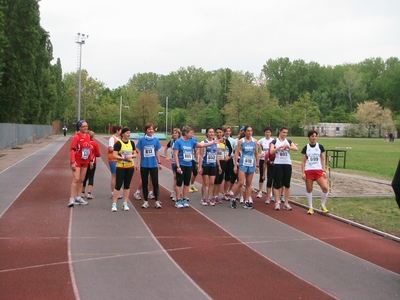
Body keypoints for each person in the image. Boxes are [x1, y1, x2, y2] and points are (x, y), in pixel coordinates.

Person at [173, 126, 220, 208]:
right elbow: (176, 155)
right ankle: (178, 200)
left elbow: (202, 145)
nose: (192, 135)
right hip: (181, 164)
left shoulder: (192, 141)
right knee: (179, 183)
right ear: (186, 133)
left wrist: (213, 143)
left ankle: (185, 199)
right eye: (190, 133)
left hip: (189, 165)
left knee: (187, 183)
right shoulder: (178, 142)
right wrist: (177, 166)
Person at [269, 126, 298, 211]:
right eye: (283, 132)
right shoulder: (275, 141)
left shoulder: (288, 141)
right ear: (280, 132)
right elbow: (271, 152)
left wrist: (288, 147)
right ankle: (277, 202)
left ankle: (286, 202)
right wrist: (278, 148)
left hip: (287, 163)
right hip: (278, 163)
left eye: (286, 133)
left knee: (287, 184)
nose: (285, 134)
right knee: (277, 184)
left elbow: (296, 149)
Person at [231, 126, 260, 209]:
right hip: (243, 163)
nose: (249, 132)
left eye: (251, 131)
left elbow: (256, 153)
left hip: (251, 163)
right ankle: (233, 198)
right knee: (240, 182)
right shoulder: (241, 141)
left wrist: (257, 165)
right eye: (248, 131)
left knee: (249, 183)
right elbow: (236, 152)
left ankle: (246, 201)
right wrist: (235, 164)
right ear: (245, 132)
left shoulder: (255, 141)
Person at [301, 130, 329, 215]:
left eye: (315, 136)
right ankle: (310, 207)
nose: (314, 137)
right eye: (312, 136)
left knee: (325, 188)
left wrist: (324, 170)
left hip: (318, 170)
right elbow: (303, 162)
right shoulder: (306, 148)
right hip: (309, 170)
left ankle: (323, 205)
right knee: (309, 189)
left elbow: (323, 159)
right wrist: (303, 173)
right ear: (309, 137)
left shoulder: (320, 147)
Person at [136, 123, 162, 209]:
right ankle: (145, 201)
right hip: (144, 165)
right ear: (146, 130)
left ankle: (157, 201)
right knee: (145, 183)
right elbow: (138, 152)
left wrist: (159, 162)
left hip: (154, 165)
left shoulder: (156, 140)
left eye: (152, 129)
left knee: (155, 183)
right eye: (149, 129)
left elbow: (157, 152)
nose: (151, 130)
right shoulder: (142, 140)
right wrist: (138, 163)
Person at [68, 120, 93, 207]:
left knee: (82, 179)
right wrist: (73, 161)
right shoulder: (76, 137)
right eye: (83, 126)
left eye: (86, 126)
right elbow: (72, 150)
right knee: (76, 179)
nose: (86, 128)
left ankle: (78, 197)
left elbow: (89, 149)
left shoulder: (88, 136)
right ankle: (71, 199)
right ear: (79, 127)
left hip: (85, 161)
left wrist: (90, 160)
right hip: (77, 161)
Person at [111, 127, 136, 212]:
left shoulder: (132, 143)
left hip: (130, 167)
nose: (128, 134)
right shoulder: (118, 143)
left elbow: (135, 154)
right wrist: (123, 158)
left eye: (129, 133)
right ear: (123, 134)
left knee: (127, 185)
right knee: (118, 185)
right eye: (127, 133)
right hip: (121, 167)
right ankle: (114, 203)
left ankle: (125, 203)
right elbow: (114, 155)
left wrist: (131, 156)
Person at [199, 127, 220, 206]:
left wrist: (219, 166)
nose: (211, 133)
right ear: (207, 133)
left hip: (213, 165)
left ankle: (210, 198)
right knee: (205, 182)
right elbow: (201, 155)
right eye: (210, 132)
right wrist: (200, 166)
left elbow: (216, 155)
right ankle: (203, 198)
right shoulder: (203, 142)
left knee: (212, 183)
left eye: (212, 132)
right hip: (205, 164)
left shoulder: (216, 143)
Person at [213, 127, 233, 203]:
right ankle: (213, 195)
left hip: (223, 162)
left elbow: (231, 149)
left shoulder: (225, 141)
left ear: (223, 133)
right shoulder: (214, 141)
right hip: (216, 162)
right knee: (216, 179)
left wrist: (228, 156)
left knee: (220, 179)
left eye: (220, 132)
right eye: (217, 132)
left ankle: (217, 196)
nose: (218, 134)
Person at [81, 130, 101, 199]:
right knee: (91, 177)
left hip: (84, 162)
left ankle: (82, 192)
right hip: (93, 161)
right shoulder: (95, 144)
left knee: (84, 177)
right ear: (93, 136)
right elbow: (98, 154)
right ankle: (89, 193)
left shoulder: (83, 143)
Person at [257, 127, 274, 199]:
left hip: (270, 160)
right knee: (262, 175)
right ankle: (260, 191)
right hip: (263, 158)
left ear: (271, 133)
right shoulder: (261, 140)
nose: (267, 133)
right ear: (264, 133)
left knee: (271, 176)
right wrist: (258, 154)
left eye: (269, 132)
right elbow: (256, 147)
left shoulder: (273, 140)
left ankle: (270, 193)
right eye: (266, 132)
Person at [165, 128, 181, 201]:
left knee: (179, 178)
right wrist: (167, 156)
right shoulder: (171, 142)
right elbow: (166, 148)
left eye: (176, 133)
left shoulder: (181, 141)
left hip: (181, 162)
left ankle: (178, 191)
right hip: (174, 162)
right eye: (174, 133)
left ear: (179, 134)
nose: (174, 134)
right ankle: (174, 191)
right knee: (175, 177)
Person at [108, 126, 123, 200]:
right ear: (117, 131)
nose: (121, 132)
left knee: (119, 176)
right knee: (114, 176)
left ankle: (117, 192)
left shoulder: (120, 139)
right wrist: (118, 149)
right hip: (113, 159)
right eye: (121, 130)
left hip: (119, 159)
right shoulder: (112, 138)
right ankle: (113, 193)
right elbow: (110, 148)